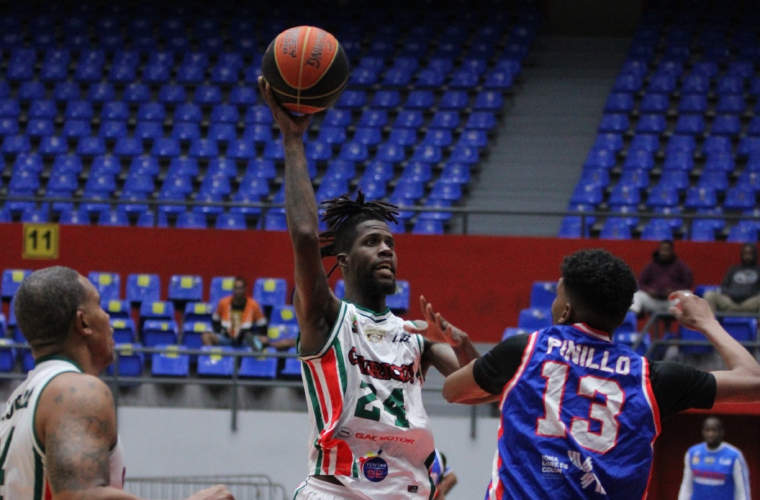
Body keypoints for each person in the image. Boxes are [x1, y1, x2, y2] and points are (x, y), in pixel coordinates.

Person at [259, 77, 480, 500]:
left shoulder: (417, 335)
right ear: (342, 260)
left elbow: (481, 390)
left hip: (407, 491)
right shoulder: (325, 317)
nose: (385, 251)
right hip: (335, 491)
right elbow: (305, 236)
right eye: (371, 242)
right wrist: (292, 139)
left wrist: (463, 343)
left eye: (390, 244)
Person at [439, 249, 760, 499]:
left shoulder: (525, 352)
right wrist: (707, 321)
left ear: (565, 311)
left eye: (558, 294)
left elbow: (454, 391)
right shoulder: (651, 379)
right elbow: (754, 382)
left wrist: (458, 350)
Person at [1, 266, 233, 500]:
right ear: (83, 323)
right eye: (100, 305)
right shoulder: (76, 391)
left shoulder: (20, 400)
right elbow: (80, 497)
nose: (108, 317)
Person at [678, 417, 750, 500]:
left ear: (722, 432)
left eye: (714, 430)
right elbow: (686, 486)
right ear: (702, 432)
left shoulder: (734, 456)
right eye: (707, 430)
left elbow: (742, 492)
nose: (710, 434)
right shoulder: (692, 453)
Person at [630, 239, 694, 317]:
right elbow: (641, 282)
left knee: (688, 294)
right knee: (636, 295)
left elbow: (688, 283)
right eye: (662, 250)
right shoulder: (651, 266)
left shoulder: (680, 266)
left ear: (671, 251)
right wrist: (648, 290)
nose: (664, 253)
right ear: (659, 250)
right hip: (653, 301)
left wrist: (675, 290)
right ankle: (630, 321)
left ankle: (687, 325)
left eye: (667, 250)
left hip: (672, 301)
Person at [202, 277, 267, 348]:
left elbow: (262, 326)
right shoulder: (223, 303)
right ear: (233, 289)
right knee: (206, 336)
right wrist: (223, 332)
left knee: (264, 340)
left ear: (245, 289)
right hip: (226, 338)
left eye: (240, 288)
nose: (238, 291)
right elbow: (215, 321)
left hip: (245, 339)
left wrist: (251, 334)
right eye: (236, 288)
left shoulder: (253, 305)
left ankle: (251, 357)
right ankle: (214, 358)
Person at [704, 244, 760, 313]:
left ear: (754, 255)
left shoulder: (758, 270)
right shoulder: (733, 269)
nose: (747, 257)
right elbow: (723, 287)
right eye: (745, 253)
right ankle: (711, 323)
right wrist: (732, 294)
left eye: (750, 254)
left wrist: (747, 294)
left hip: (749, 302)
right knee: (709, 295)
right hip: (731, 302)